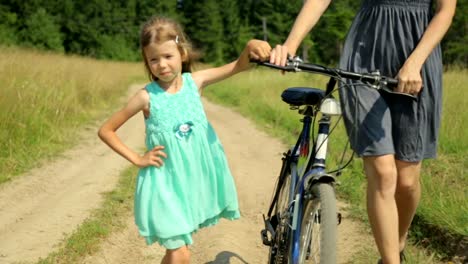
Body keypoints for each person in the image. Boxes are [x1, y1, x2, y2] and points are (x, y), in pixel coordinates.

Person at [266, 0, 456, 263]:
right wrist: (290, 44)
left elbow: (445, 11)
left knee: (407, 179)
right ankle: (391, 260)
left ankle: (398, 242)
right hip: (364, 59)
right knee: (382, 171)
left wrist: (414, 63)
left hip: (419, 63)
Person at [98, 16, 271, 264]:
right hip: (164, 184)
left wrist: (250, 46)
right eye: (153, 59)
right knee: (181, 253)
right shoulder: (147, 97)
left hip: (190, 183)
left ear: (182, 53)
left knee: (175, 253)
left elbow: (239, 66)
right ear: (146, 61)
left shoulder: (195, 83)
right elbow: (106, 130)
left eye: (168, 56)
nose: (161, 65)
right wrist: (137, 158)